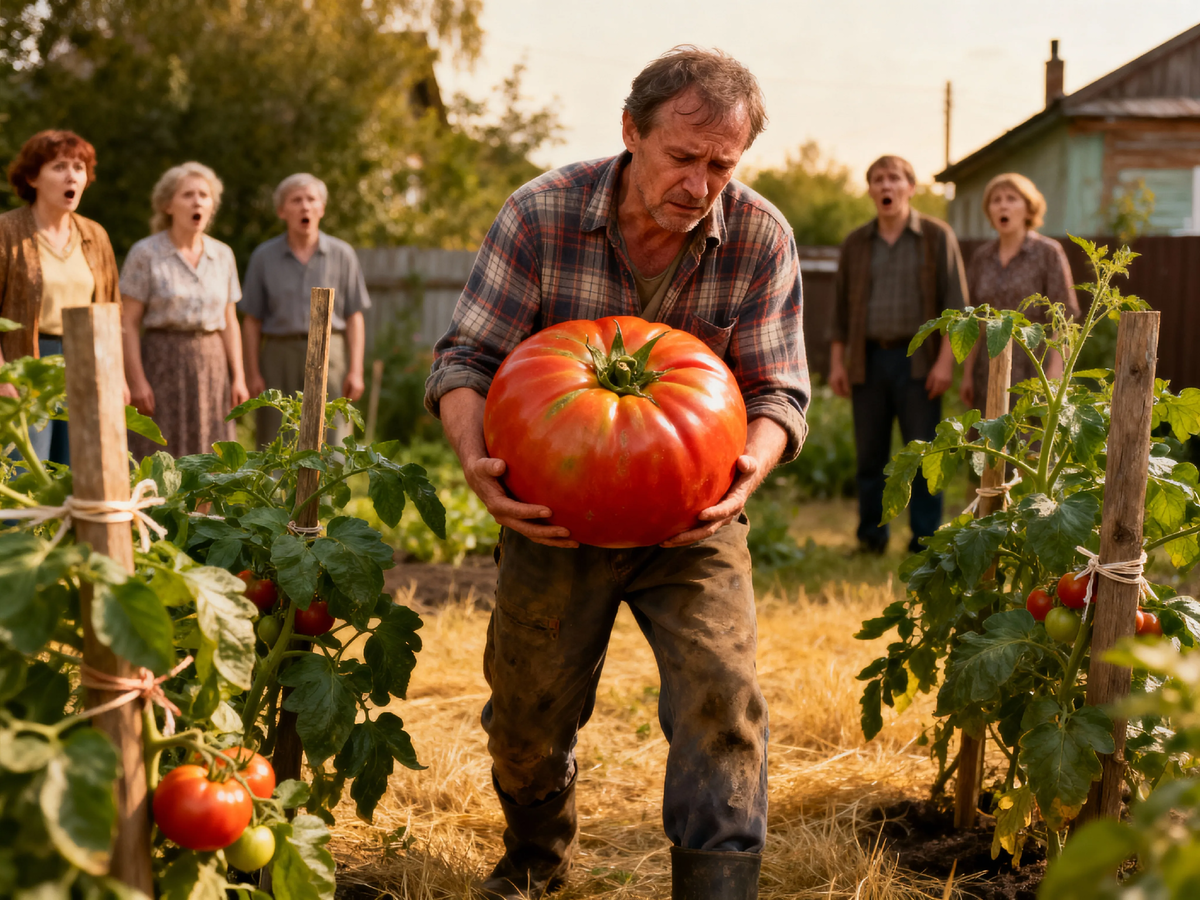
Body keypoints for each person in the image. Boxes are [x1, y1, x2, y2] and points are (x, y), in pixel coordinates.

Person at [426, 46, 809, 900]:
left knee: (724, 702)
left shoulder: (759, 236)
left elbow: (779, 392)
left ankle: (718, 888)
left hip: (694, 519)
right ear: (631, 130)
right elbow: (466, 360)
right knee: (524, 719)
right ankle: (535, 862)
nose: (700, 185)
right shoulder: (541, 215)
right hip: (555, 517)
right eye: (683, 156)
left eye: (722, 165)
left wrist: (750, 467)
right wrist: (478, 466)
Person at [828, 155, 967, 555]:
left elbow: (957, 307)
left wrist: (945, 363)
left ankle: (924, 540)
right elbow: (839, 310)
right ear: (870, 190)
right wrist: (838, 363)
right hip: (867, 361)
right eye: (878, 179)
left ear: (911, 187)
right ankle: (871, 538)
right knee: (870, 458)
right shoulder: (856, 243)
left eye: (894, 179)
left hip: (919, 363)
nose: (886, 186)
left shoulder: (937, 236)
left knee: (924, 455)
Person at [0, 130, 122, 465]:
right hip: (26, 364)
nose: (72, 176)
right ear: (32, 178)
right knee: (28, 471)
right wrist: (3, 375)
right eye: (59, 167)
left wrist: (118, 377)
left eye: (79, 167)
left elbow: (112, 311)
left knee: (82, 471)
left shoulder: (95, 235)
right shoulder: (6, 231)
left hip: (86, 365)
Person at [121, 162, 248, 460]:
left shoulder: (223, 255)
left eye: (204, 195)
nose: (197, 201)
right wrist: (136, 380)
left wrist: (239, 377)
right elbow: (127, 322)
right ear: (168, 205)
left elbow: (230, 321)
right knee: (158, 452)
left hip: (212, 366)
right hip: (161, 362)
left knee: (212, 453)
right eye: (188, 194)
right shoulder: (145, 253)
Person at [239, 173, 369, 447]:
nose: (305, 206)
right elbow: (251, 320)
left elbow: (354, 316)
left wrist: (356, 370)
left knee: (331, 435)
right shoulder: (264, 257)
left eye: (311, 199)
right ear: (281, 211)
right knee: (276, 436)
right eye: (296, 200)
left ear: (322, 208)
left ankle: (330, 477)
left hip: (330, 354)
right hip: (278, 354)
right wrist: (252, 372)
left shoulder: (342, 254)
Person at [959, 173, 1079, 410]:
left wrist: (1056, 371)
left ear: (1029, 208)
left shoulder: (1048, 252)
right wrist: (967, 374)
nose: (1003, 205)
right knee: (987, 431)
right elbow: (973, 321)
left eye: (1011, 198)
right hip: (988, 366)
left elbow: (1065, 318)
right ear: (990, 211)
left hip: (1034, 365)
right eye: (996, 200)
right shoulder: (982, 257)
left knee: (1028, 431)